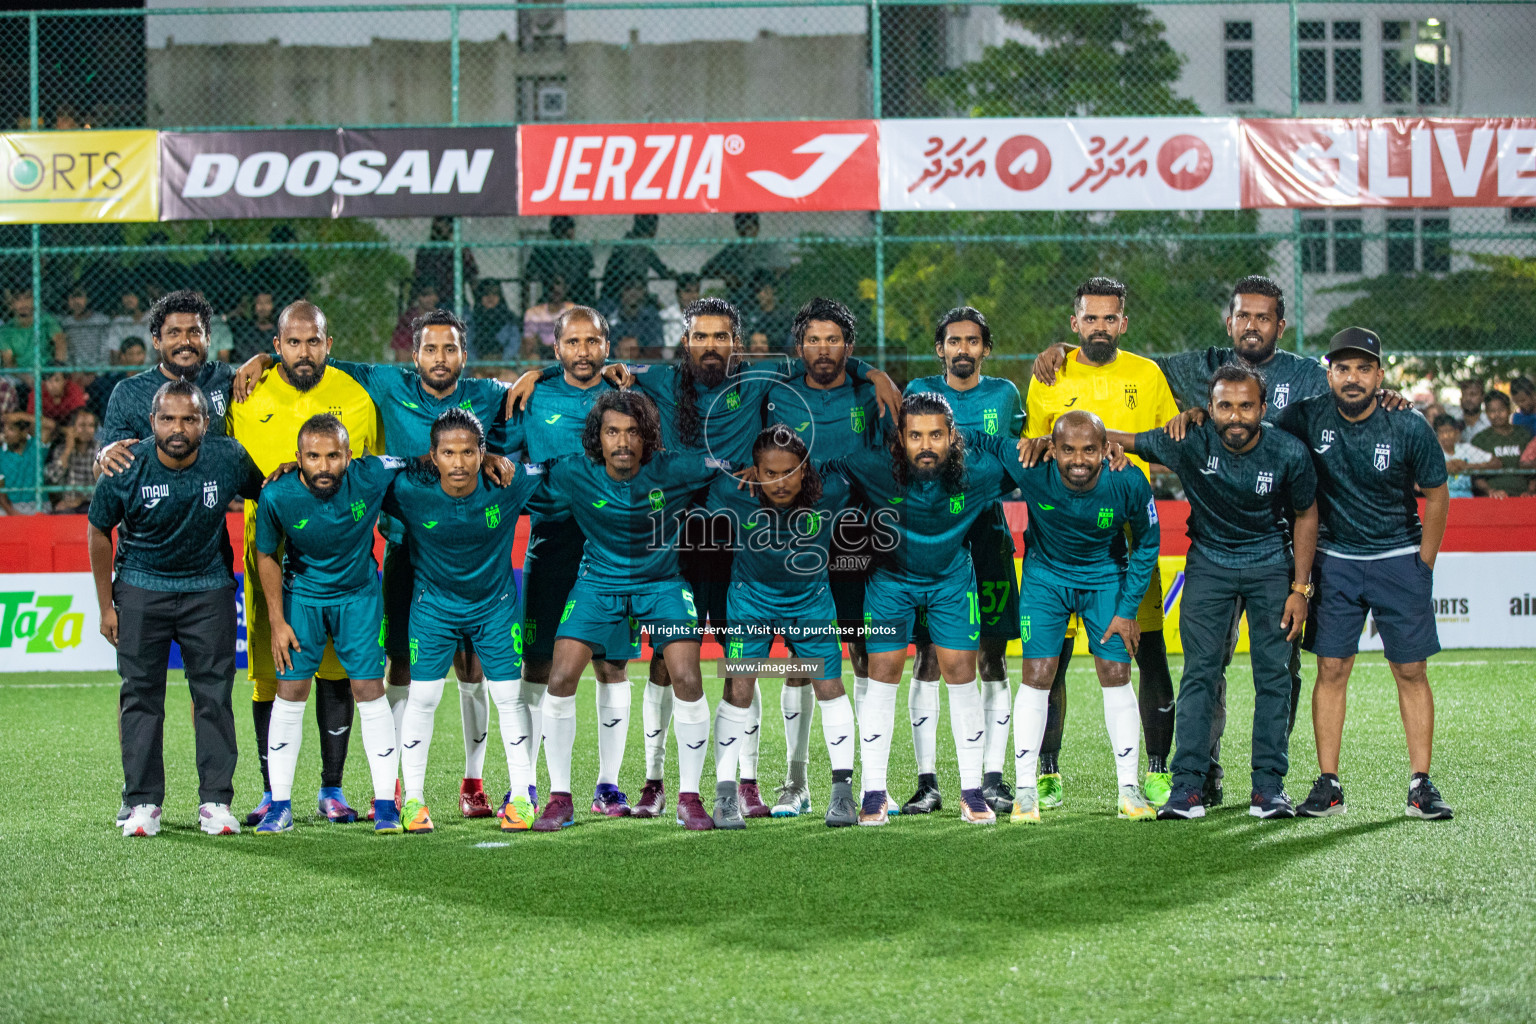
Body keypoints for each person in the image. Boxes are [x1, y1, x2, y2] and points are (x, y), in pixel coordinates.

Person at [583, 298, 900, 819]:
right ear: (685, 341)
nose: (711, 345)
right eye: (701, 336)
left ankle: (749, 784)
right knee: (667, 660)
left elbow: (826, 358)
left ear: (738, 342)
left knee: (747, 668)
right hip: (680, 537)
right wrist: (541, 371)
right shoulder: (656, 380)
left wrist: (873, 371)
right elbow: (594, 367)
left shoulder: (761, 378)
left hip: (743, 538)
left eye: (721, 336)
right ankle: (655, 781)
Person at [284, 308, 519, 820]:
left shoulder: (488, 395)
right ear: (414, 356)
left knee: (472, 668)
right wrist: (265, 360)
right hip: (406, 546)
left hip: (468, 550)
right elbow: (318, 361)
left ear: (464, 354)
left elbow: (535, 389)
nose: (440, 358)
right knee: (402, 664)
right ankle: (388, 787)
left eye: (450, 348)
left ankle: (473, 782)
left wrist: (536, 379)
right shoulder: (386, 381)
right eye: (430, 349)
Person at [1098, 365, 1319, 820]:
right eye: (1224, 406)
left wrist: (1300, 587)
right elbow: (1121, 438)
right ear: (1210, 408)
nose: (1235, 416)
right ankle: (1187, 789)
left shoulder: (1288, 452)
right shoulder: (1190, 440)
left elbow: (1306, 515)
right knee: (1199, 674)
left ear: (1262, 408)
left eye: (1245, 406)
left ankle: (1269, 788)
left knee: (1274, 677)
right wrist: (1058, 439)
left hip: (1270, 566)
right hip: (1210, 565)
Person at [817, 393, 1042, 827]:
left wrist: (1048, 442)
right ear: (899, 438)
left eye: (936, 435)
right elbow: (825, 475)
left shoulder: (979, 470)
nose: (926, 445)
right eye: (916, 435)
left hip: (952, 581)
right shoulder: (873, 465)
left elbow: (1032, 462)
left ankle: (972, 792)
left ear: (952, 436)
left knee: (961, 672)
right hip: (889, 582)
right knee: (882, 674)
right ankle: (874, 793)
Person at [1260, 327, 1453, 820]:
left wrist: (1423, 564)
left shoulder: (1407, 423)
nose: (1353, 378)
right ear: (1329, 373)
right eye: (1343, 368)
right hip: (1335, 561)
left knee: (1410, 670)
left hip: (1397, 557)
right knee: (1332, 669)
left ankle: (1421, 783)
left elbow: (1436, 494)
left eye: (1364, 369)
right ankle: (1328, 784)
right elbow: (1253, 428)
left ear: (1379, 375)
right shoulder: (1306, 415)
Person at [531, 390, 726, 832]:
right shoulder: (572, 472)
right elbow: (522, 480)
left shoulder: (675, 467)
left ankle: (690, 798)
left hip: (662, 582)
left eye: (633, 431)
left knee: (688, 677)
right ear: (597, 438)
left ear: (648, 437)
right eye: (612, 431)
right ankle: (560, 798)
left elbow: (728, 471)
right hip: (599, 582)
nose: (623, 441)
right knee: (560, 677)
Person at [1023, 276, 1181, 809]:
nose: (1100, 327)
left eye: (1109, 318)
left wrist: (1123, 449)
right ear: (1075, 323)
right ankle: (1047, 770)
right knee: (1055, 659)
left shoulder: (1147, 373)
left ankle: (1156, 769)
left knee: (1149, 649)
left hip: (1128, 532)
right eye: (1090, 318)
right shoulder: (1050, 373)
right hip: (1060, 537)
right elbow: (1035, 446)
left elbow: (1169, 446)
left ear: (1123, 323)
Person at [222, 301, 382, 827]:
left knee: (339, 673)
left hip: (341, 561)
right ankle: (274, 793)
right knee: (272, 674)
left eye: (314, 341)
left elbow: (370, 468)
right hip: (266, 553)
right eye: (293, 342)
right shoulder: (245, 394)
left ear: (328, 344)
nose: (304, 352)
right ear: (276, 346)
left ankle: (331, 790)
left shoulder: (356, 398)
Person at [87, 379, 266, 837]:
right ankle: (142, 803)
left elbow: (265, 495)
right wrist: (107, 607)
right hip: (141, 588)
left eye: (189, 418)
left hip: (208, 590)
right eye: (168, 418)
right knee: (141, 694)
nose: (178, 427)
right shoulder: (125, 465)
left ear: (206, 422)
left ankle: (215, 802)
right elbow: (98, 531)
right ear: (152, 422)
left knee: (213, 696)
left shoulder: (228, 456)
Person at [988, 410, 1161, 823]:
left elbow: (1148, 541)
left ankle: (1128, 789)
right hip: (1045, 579)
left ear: (1106, 450)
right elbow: (983, 441)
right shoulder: (1032, 465)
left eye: (1089, 449)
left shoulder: (1128, 480)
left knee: (1117, 675)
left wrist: (1126, 609)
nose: (1078, 459)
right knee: (1038, 674)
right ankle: (1027, 791)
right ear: (1052, 447)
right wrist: (1022, 441)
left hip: (1105, 578)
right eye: (1067, 449)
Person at [383, 409, 542, 834]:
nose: (459, 463)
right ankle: (413, 801)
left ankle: (523, 796)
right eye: (448, 453)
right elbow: (357, 474)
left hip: (495, 607)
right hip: (433, 607)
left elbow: (560, 468)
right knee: (424, 698)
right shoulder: (408, 491)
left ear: (482, 453)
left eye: (469, 452)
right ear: (432, 456)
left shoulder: (508, 484)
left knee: (510, 696)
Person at [253, 416, 408, 833]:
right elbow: (265, 554)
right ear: (297, 457)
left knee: (369, 692)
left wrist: (485, 460)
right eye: (313, 457)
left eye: (333, 456)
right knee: (291, 694)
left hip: (359, 598)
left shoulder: (372, 474)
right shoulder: (277, 494)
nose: (323, 466)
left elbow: (424, 462)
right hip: (301, 599)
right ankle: (279, 805)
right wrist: (276, 618)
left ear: (350, 455)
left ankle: (385, 806)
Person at [760, 297, 883, 818]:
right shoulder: (776, 391)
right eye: (814, 339)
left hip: (858, 538)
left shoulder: (869, 392)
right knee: (799, 662)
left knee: (862, 655)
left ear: (849, 348)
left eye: (834, 340)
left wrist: (872, 373)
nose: (824, 349)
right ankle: (795, 780)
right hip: (795, 540)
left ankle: (871, 784)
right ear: (799, 347)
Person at [901, 306, 1024, 815]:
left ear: (985, 349)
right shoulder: (918, 393)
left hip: (988, 535)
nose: (963, 350)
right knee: (928, 658)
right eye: (954, 341)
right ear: (940, 349)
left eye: (973, 341)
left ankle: (991, 778)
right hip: (933, 541)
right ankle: (927, 783)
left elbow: (1019, 461)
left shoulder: (1005, 395)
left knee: (992, 658)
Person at [510, 306, 630, 818]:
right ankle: (531, 782)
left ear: (607, 346)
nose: (584, 351)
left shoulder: (626, 397)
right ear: (555, 348)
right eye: (573, 342)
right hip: (551, 542)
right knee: (538, 662)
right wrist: (528, 376)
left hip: (611, 543)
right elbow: (504, 460)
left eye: (594, 341)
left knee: (613, 662)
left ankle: (607, 784)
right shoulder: (530, 398)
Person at [714, 426, 859, 827]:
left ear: (805, 469)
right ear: (754, 472)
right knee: (738, 689)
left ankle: (842, 795)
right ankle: (725, 796)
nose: (780, 482)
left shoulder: (831, 491)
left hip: (810, 603)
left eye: (790, 471)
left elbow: (861, 466)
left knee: (830, 687)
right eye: (770, 473)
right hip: (750, 604)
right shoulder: (731, 493)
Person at [701, 213, 789, 310]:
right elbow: (706, 270)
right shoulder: (731, 250)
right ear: (737, 230)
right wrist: (727, 277)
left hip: (764, 299)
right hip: (740, 300)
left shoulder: (767, 249)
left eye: (749, 228)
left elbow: (784, 268)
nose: (746, 233)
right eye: (742, 229)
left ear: (757, 228)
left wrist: (770, 281)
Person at [1467, 390, 1533, 497]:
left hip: (1523, 493)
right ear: (1487, 413)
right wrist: (1490, 491)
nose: (1497, 415)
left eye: (1501, 410)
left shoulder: (1524, 435)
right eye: (1492, 411)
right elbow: (1476, 477)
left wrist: (1530, 491)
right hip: (1493, 496)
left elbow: (1533, 471)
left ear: (1509, 410)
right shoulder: (1480, 440)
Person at [524, 216, 595, 308]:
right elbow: (528, 278)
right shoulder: (544, 251)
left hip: (576, 296)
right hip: (553, 298)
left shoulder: (580, 251)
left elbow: (587, 279)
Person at [599, 214, 671, 303]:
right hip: (618, 296)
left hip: (627, 294)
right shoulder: (629, 247)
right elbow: (631, 280)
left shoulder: (642, 248)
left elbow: (662, 270)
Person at [413, 216, 478, 308]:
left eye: (445, 225)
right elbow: (418, 279)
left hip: (456, 300)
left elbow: (473, 279)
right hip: (431, 301)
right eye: (436, 227)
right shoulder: (425, 252)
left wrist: (478, 303)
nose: (439, 229)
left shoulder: (461, 251)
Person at [45, 405, 99, 513]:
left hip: (94, 503)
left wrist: (81, 499)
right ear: (72, 428)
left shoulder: (99, 449)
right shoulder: (62, 450)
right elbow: (53, 477)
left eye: (91, 426)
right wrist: (68, 449)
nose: (87, 430)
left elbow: (105, 483)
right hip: (68, 506)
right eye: (82, 425)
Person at [0, 288, 67, 372]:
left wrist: (56, 371)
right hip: (20, 376)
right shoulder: (5, 330)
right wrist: (27, 378)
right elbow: (9, 363)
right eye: (18, 299)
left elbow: (60, 343)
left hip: (47, 372)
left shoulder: (46, 320)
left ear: (35, 300)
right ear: (11, 304)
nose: (23, 303)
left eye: (27, 298)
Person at [190, 231, 251, 319]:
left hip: (233, 317)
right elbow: (196, 298)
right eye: (212, 244)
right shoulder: (200, 269)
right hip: (204, 317)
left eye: (221, 244)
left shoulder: (237, 269)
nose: (217, 249)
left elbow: (245, 301)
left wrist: (228, 316)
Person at [602, 277, 666, 359]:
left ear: (644, 292)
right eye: (628, 289)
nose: (633, 293)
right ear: (621, 292)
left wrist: (638, 344)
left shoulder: (651, 316)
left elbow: (658, 346)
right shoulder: (610, 316)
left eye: (638, 289)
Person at [251, 225, 311, 311]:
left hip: (293, 312)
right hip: (269, 312)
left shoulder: (299, 268)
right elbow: (258, 297)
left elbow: (305, 296)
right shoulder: (264, 266)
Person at [515, 274, 574, 355]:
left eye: (558, 284)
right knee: (532, 358)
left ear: (565, 288)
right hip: (540, 351)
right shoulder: (534, 312)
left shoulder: (574, 311)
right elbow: (529, 341)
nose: (555, 287)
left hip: (565, 352)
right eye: (552, 284)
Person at [61, 284, 113, 370]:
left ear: (88, 299)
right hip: (74, 372)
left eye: (79, 296)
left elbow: (105, 352)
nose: (76, 301)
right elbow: (67, 353)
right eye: (72, 297)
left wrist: (96, 373)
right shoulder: (66, 323)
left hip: (98, 372)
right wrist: (72, 371)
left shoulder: (102, 321)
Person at [744, 271, 793, 353]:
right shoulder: (752, 314)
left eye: (765, 290)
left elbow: (785, 338)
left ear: (773, 290)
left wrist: (766, 340)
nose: (761, 294)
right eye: (757, 291)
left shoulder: (784, 315)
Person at [1434, 414, 1481, 498]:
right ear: (1437, 435)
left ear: (1456, 432)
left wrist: (1467, 466)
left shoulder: (1466, 448)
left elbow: (1495, 462)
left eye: (1449, 431)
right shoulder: (1432, 452)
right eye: (1442, 432)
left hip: (1467, 495)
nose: (1446, 436)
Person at [391, 280, 439, 362]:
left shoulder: (442, 318)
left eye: (434, 294)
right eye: (426, 295)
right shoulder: (408, 319)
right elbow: (401, 355)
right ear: (418, 297)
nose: (431, 298)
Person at [0, 411, 38, 514]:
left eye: (11, 429)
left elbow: (51, 426)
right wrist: (12, 513)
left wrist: (21, 416)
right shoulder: (1, 454)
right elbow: (0, 493)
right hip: (11, 505)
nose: (6, 434)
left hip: (37, 503)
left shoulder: (36, 445)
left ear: (24, 432)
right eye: (5, 429)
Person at [226, 291, 277, 366]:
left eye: (267, 303)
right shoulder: (245, 330)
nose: (263, 307)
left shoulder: (280, 331)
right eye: (259, 303)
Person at [469, 279, 517, 356]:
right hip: (477, 363)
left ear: (500, 297)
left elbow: (514, 343)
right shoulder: (471, 319)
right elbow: (467, 345)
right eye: (486, 293)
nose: (490, 297)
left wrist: (502, 361)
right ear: (480, 297)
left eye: (495, 294)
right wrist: (476, 364)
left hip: (502, 361)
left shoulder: (509, 318)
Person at [658, 274, 701, 357]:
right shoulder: (666, 315)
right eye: (687, 291)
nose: (692, 296)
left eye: (696, 291)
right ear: (678, 293)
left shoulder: (704, 316)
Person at [104, 287, 151, 357]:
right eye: (126, 296)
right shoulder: (119, 322)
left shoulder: (151, 317)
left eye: (133, 295)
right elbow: (113, 350)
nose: (129, 299)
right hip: (126, 364)